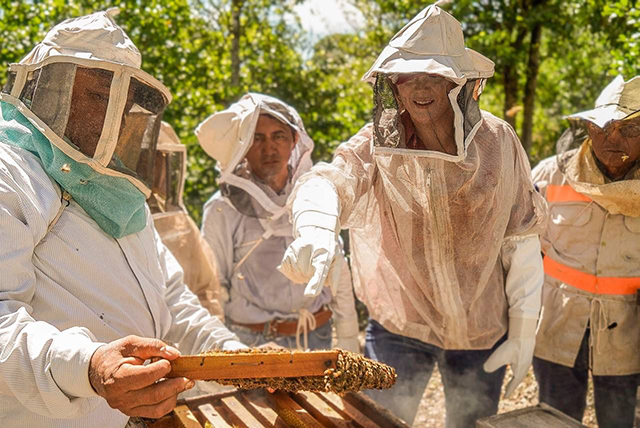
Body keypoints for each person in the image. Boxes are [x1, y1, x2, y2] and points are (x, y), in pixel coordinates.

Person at [279, 5, 548, 426]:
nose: (421, 87)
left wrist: (525, 327)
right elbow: (330, 180)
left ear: (458, 83)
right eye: (409, 76)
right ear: (394, 86)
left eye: (434, 75)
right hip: (400, 325)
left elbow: (521, 235)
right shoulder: (376, 143)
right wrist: (315, 227)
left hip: (479, 326)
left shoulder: (497, 141)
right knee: (377, 420)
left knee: (470, 423)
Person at [0, 11, 245, 428]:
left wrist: (234, 354)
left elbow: (170, 298)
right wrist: (90, 366)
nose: (114, 120)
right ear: (54, 89)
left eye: (123, 104)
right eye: (99, 97)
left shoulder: (117, 189)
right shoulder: (11, 172)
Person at [196, 93, 359, 352]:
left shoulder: (316, 195)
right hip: (252, 341)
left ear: (295, 140)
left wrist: (350, 340)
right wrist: (222, 351)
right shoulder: (221, 208)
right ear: (242, 145)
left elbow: (337, 267)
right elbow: (213, 286)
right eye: (257, 137)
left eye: (278, 136)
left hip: (316, 336)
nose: (269, 148)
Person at [531, 75, 640, 428]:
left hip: (627, 337)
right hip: (557, 328)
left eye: (629, 130)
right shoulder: (550, 175)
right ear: (588, 127)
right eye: (604, 127)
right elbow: (515, 253)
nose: (613, 140)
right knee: (554, 419)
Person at [149, 121, 225, 319]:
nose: (155, 168)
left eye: (160, 159)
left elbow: (207, 289)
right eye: (147, 158)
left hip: (186, 337)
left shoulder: (179, 221)